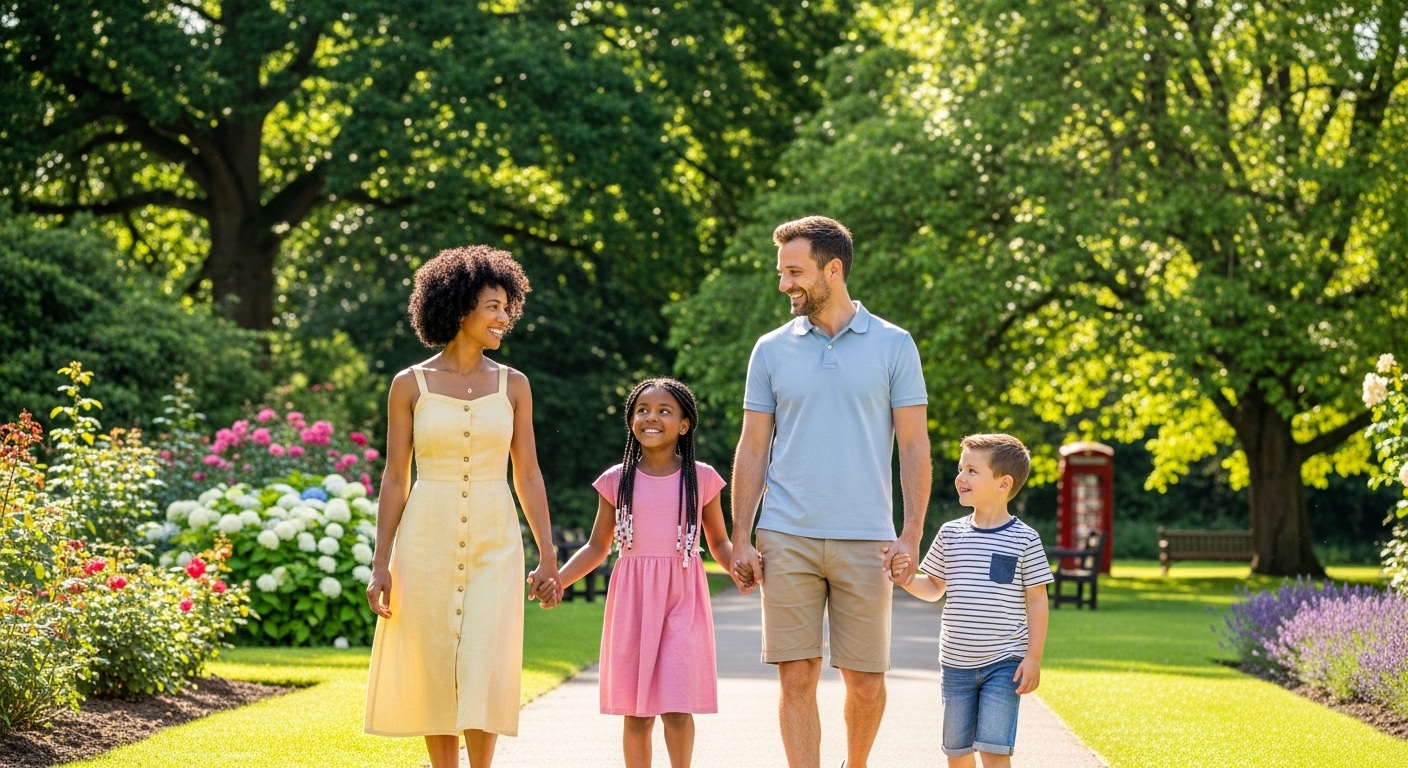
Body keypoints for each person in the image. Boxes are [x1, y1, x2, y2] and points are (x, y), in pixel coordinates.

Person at [729, 215, 932, 768]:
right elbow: (751, 448)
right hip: (785, 534)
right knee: (797, 676)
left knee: (865, 681)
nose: (784, 284)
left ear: (833, 269)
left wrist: (911, 533)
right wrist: (739, 539)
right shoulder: (770, 350)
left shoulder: (894, 344)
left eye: (794, 272)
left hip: (867, 537)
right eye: (781, 272)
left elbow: (914, 446)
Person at [363, 245, 562, 768]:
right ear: (458, 310)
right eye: (494, 307)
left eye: (507, 307)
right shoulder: (410, 385)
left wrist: (547, 553)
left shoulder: (514, 385)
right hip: (425, 538)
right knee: (435, 667)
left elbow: (528, 472)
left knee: (483, 666)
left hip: (496, 542)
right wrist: (380, 562)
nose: (505, 318)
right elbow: (394, 476)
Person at [554, 377, 732, 768]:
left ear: (684, 424)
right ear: (631, 419)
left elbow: (719, 543)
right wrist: (558, 580)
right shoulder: (617, 480)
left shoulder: (702, 478)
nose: (651, 417)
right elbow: (597, 547)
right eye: (642, 410)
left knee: (677, 707)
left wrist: (741, 566)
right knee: (636, 712)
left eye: (664, 411)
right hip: (634, 604)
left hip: (683, 600)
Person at [889, 434, 1052, 768]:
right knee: (958, 753)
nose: (960, 477)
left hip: (1005, 662)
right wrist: (906, 580)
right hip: (955, 665)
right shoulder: (951, 534)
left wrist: (1033, 657)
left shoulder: (1026, 539)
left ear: (1003, 483)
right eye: (960, 469)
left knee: (994, 751)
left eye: (972, 471)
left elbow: (1037, 601)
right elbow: (935, 587)